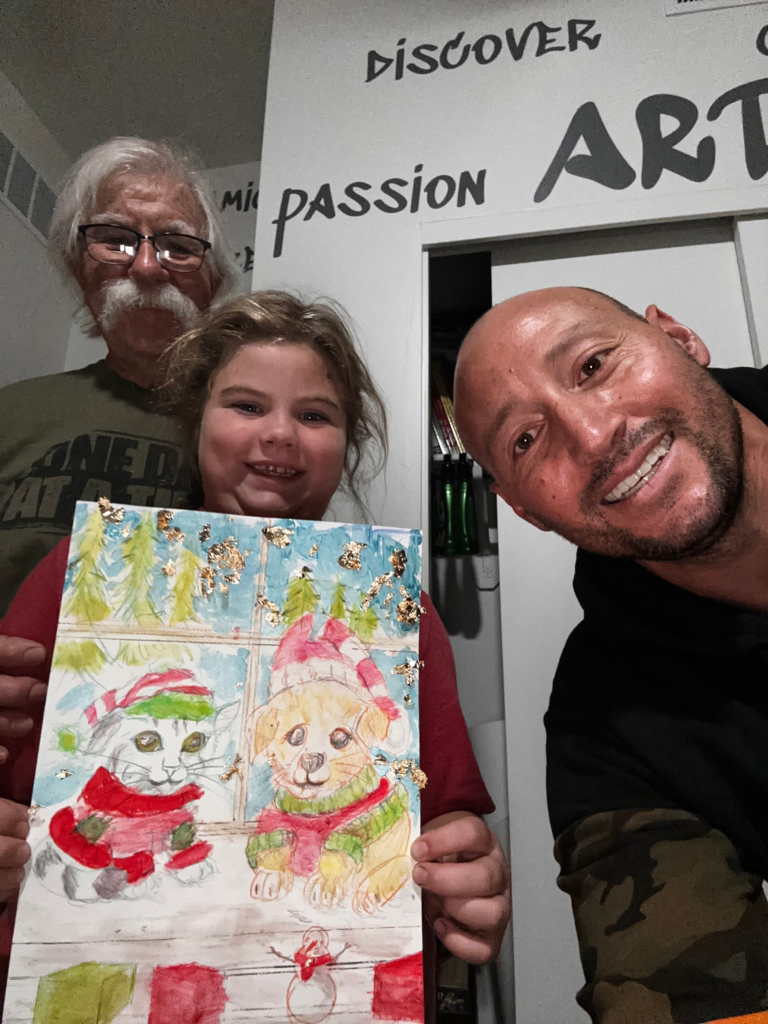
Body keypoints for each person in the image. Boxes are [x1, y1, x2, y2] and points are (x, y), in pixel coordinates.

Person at [0, 291, 510, 1001]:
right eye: (245, 405)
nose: (280, 433)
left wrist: (466, 873)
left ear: (347, 442)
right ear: (196, 423)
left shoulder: (399, 608)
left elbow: (445, 811)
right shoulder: (79, 571)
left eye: (315, 415)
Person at [453, 285, 768, 1024]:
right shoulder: (604, 733)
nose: (594, 437)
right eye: (526, 441)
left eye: (593, 365)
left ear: (681, 339)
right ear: (525, 510)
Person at [0, 136, 236, 620]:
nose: (147, 267)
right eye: (114, 240)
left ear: (212, 282)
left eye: (178, 246)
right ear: (79, 268)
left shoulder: (252, 432)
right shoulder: (10, 413)